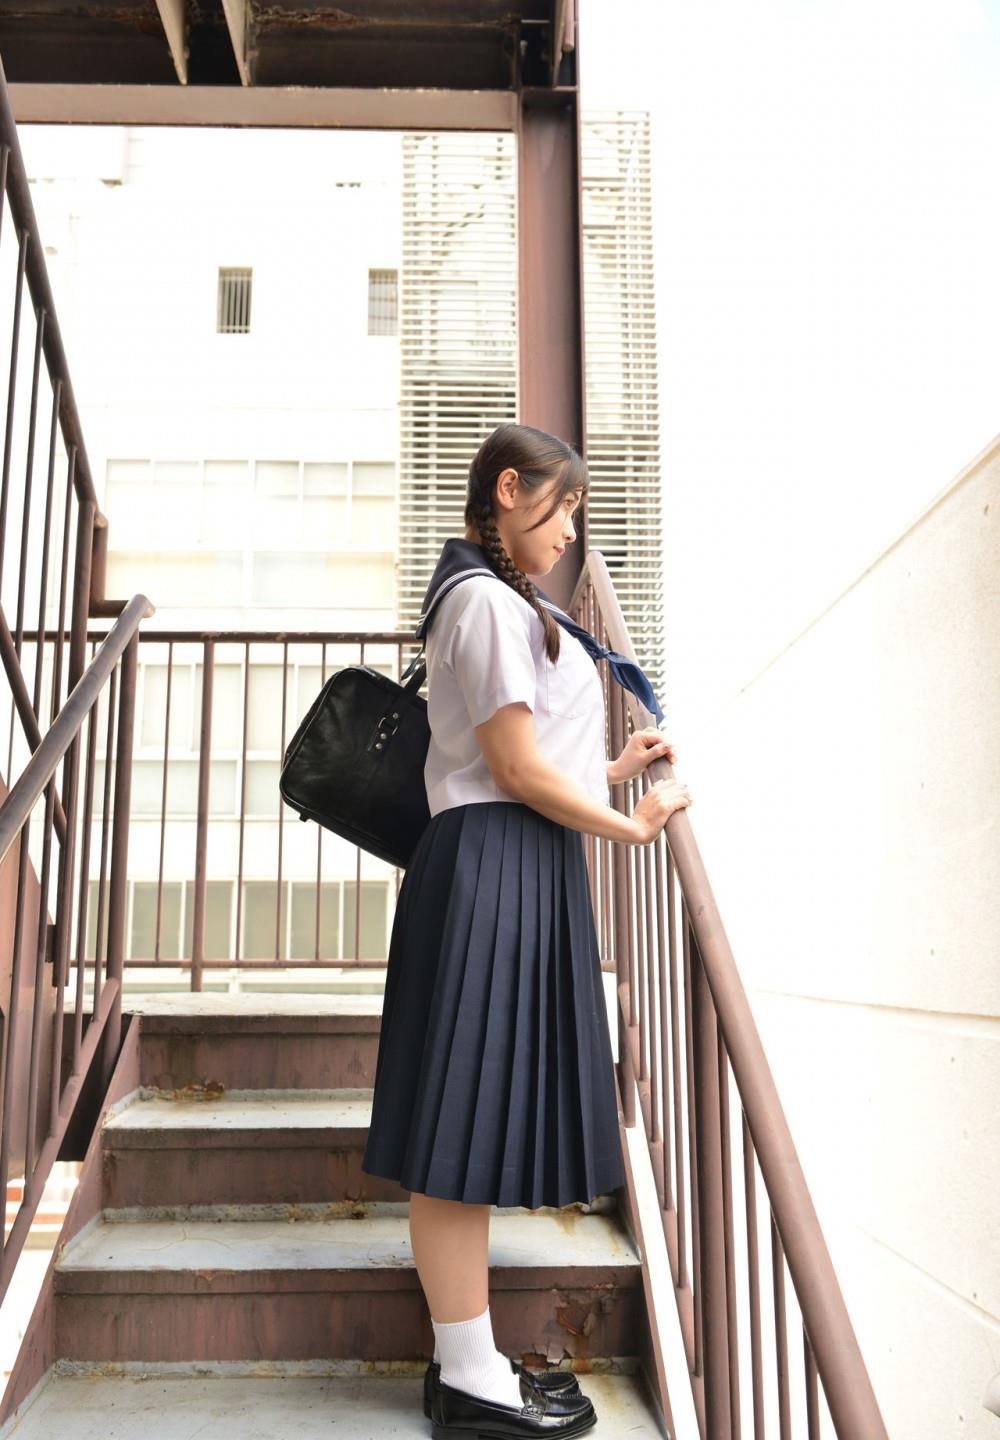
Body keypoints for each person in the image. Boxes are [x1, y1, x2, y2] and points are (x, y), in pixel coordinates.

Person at [360, 422, 692, 1438]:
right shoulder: (482, 601)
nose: (570, 533)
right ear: (509, 490)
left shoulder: (502, 602)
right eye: (563, 507)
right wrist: (630, 825)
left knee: (466, 1126)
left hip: (511, 860)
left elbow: (524, 758)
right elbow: (507, 770)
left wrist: (611, 773)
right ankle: (468, 1376)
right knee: (452, 1133)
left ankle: (469, 1364)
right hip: (490, 864)